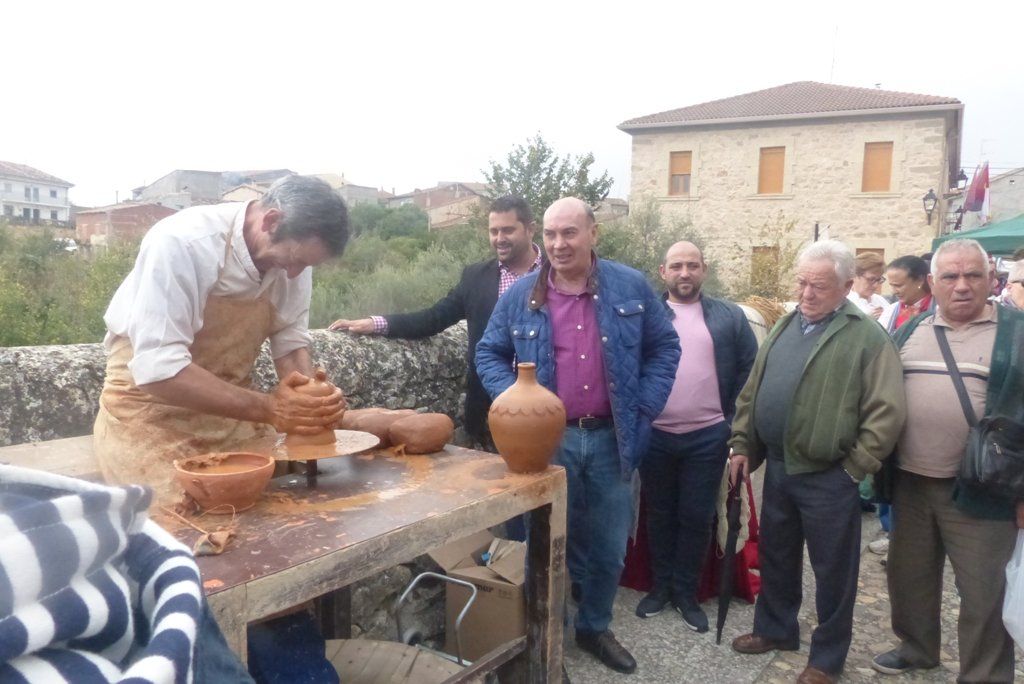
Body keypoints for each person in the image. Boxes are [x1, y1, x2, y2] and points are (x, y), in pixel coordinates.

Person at [476, 197, 680, 675]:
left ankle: (593, 628)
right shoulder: (522, 295)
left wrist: (645, 405)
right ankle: (545, 639)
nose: (558, 244)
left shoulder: (630, 285)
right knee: (545, 545)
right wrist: (517, 402)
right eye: (550, 235)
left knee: (609, 547)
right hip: (548, 444)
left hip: (614, 439)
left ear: (593, 234)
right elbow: (489, 351)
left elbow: (665, 346)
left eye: (569, 233)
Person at [94, 175, 349, 496]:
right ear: (271, 221)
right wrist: (271, 409)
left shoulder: (293, 258)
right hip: (150, 415)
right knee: (191, 514)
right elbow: (157, 370)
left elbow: (290, 342)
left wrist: (311, 402)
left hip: (233, 418)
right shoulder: (183, 242)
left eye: (307, 265)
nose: (295, 274)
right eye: (296, 260)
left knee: (285, 502)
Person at [728, 240, 906, 684]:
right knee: (778, 556)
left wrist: (855, 467)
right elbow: (753, 391)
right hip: (782, 468)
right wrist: (743, 443)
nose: (807, 293)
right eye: (802, 283)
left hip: (831, 475)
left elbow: (887, 411)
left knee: (833, 573)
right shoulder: (787, 325)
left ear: (847, 286)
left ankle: (827, 659)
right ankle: (776, 630)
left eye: (819, 285)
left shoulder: (866, 336)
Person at [872, 239, 1024, 683]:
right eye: (950, 277)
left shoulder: (1016, 333)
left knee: (983, 592)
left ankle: (985, 674)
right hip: (912, 481)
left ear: (991, 280)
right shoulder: (910, 329)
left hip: (986, 490)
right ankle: (917, 648)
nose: (962, 286)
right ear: (932, 284)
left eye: (973, 276)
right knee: (910, 577)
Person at [328, 195, 542, 448]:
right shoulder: (476, 277)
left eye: (508, 230)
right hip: (491, 412)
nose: (499, 238)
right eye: (493, 231)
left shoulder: (556, 272)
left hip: (547, 406)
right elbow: (434, 318)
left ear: (530, 229)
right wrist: (376, 323)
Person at [634, 241, 757, 632]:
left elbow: (749, 375)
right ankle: (660, 588)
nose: (684, 273)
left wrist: (736, 431)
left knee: (697, 516)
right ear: (662, 271)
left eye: (692, 265)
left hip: (708, 436)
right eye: (676, 266)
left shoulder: (729, 317)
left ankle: (686, 593)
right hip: (656, 434)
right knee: (659, 514)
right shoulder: (644, 315)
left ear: (704, 269)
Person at [878, 255, 932, 332]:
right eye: (892, 285)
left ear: (920, 280)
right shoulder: (891, 311)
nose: (894, 291)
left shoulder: (939, 309)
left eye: (898, 285)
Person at [847, 251, 888, 320]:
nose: (876, 285)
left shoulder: (881, 301)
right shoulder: (845, 302)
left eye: (878, 280)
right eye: (871, 279)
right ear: (855, 276)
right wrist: (867, 320)